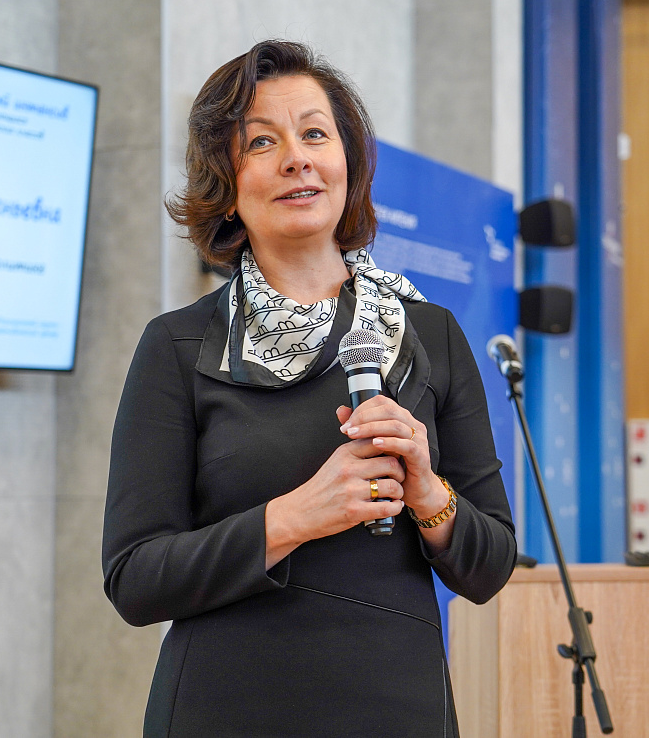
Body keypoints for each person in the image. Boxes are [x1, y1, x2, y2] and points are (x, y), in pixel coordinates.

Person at [102, 39, 517, 738]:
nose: (297, 158)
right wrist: (295, 516)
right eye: (262, 142)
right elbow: (134, 579)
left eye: (315, 134)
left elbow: (490, 565)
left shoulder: (430, 334)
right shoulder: (178, 345)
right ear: (225, 184)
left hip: (399, 709)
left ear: (347, 161)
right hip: (224, 710)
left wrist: (427, 491)